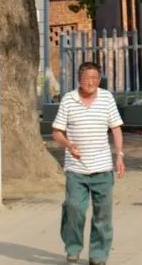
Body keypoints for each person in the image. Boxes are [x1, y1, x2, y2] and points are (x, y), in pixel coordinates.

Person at [51, 61, 125, 264]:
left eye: (95, 78)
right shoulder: (68, 100)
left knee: (103, 216)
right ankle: (72, 248)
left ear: (99, 80)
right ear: (79, 80)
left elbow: (116, 129)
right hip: (76, 169)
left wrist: (119, 155)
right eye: (87, 79)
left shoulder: (106, 98)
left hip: (102, 168)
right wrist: (68, 144)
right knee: (75, 209)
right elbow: (56, 132)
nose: (91, 82)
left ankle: (98, 255)